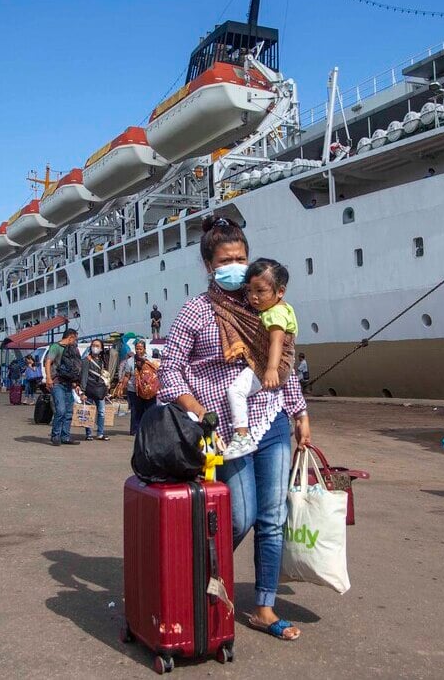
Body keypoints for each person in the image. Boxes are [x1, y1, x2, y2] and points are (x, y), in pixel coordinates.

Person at [159, 215, 311, 641]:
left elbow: (281, 363)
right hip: (225, 429)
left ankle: (263, 606)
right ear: (209, 266)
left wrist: (301, 414)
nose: (237, 266)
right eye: (226, 259)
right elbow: (170, 371)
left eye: (242, 258)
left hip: (273, 418)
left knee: (272, 517)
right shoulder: (195, 310)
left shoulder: (261, 305)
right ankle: (199, 577)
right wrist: (199, 410)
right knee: (240, 517)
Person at [222, 258, 298, 460]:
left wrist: (271, 369)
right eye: (249, 291)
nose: (253, 297)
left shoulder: (275, 314)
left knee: (236, 390)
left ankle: (241, 436)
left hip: (273, 364)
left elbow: (276, 342)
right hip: (278, 365)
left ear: (279, 291)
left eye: (260, 291)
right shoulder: (281, 308)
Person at [44, 329, 82, 446]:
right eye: (75, 339)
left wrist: (76, 382)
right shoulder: (56, 347)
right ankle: (55, 435)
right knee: (60, 410)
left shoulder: (73, 350)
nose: (75, 341)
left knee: (69, 412)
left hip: (68, 383)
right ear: (70, 337)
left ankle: (65, 436)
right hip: (57, 383)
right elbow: (48, 361)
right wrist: (48, 378)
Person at [119, 339, 158, 435]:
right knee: (136, 411)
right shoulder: (130, 361)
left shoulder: (150, 360)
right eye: (137, 349)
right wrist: (121, 387)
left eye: (140, 349)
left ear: (144, 349)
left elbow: (156, 374)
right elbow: (127, 376)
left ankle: (149, 430)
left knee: (150, 410)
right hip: (134, 389)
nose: (138, 351)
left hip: (149, 390)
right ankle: (135, 430)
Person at [79, 338, 111, 441]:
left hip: (100, 389)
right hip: (89, 388)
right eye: (93, 345)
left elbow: (104, 375)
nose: (95, 348)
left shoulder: (103, 361)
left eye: (97, 346)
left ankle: (100, 433)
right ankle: (88, 434)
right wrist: (82, 392)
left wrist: (107, 386)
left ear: (101, 349)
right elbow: (84, 376)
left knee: (101, 411)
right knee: (88, 411)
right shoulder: (86, 360)